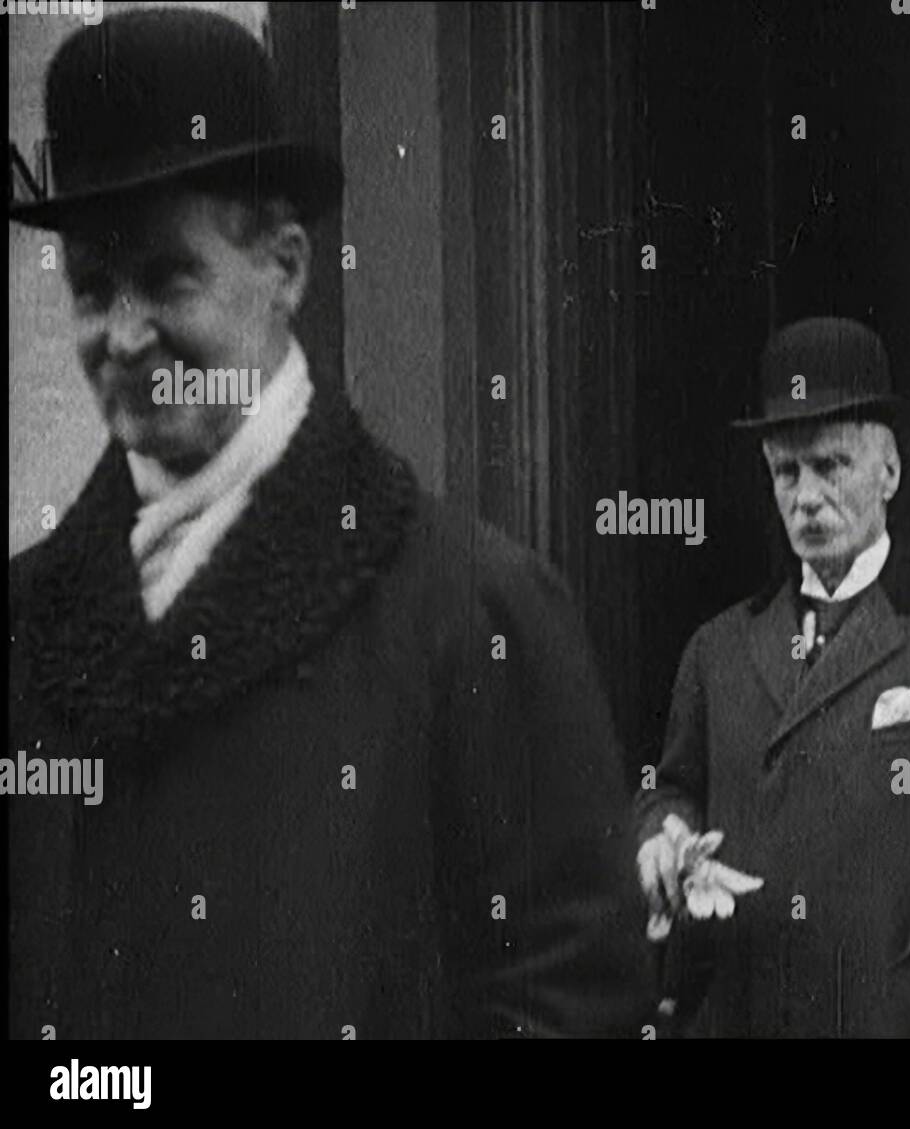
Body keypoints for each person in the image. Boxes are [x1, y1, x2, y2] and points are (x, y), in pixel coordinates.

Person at [6, 8, 648, 1039]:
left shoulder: (474, 610)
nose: (123, 335)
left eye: (169, 275)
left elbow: (570, 1001)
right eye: (92, 287)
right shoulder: (26, 621)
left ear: (289, 268)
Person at [635, 316, 910, 1037]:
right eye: (786, 472)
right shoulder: (717, 651)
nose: (806, 497)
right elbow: (675, 788)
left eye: (831, 465)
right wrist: (664, 834)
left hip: (901, 1017)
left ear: (890, 471)